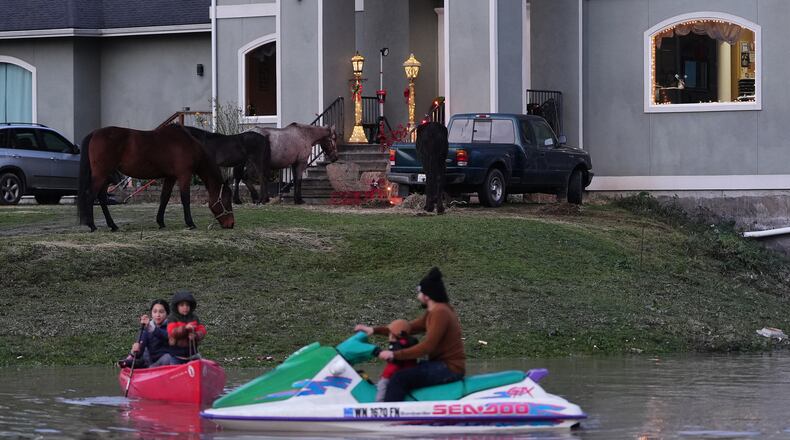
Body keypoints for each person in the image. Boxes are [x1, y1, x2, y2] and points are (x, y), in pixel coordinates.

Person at [355, 267, 465, 402]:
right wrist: (374, 330)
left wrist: (394, 355)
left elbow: (427, 346)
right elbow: (406, 329)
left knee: (399, 378)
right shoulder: (435, 311)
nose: (417, 296)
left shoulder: (440, 312)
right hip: (440, 364)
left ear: (427, 295)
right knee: (402, 372)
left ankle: (389, 415)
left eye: (419, 292)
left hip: (450, 368)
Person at [117, 299, 170, 368]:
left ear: (167, 314)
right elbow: (139, 353)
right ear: (151, 313)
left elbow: (167, 336)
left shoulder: (172, 327)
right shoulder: (146, 329)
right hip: (151, 364)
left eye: (161, 312)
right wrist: (134, 351)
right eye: (155, 312)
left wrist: (153, 329)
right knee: (139, 360)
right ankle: (125, 362)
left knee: (167, 358)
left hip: (168, 363)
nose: (158, 315)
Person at [375, 319, 418, 401]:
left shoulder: (398, 347)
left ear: (395, 334)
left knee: (382, 384)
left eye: (390, 333)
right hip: (408, 372)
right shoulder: (408, 343)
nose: (389, 335)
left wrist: (392, 344)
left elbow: (395, 363)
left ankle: (379, 404)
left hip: (395, 375)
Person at [164, 290, 207, 365]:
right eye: (182, 305)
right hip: (177, 356)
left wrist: (196, 335)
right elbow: (172, 332)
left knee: (201, 365)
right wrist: (185, 328)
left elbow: (202, 330)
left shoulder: (194, 317)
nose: (185, 307)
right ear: (177, 306)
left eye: (187, 305)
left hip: (193, 355)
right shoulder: (172, 318)